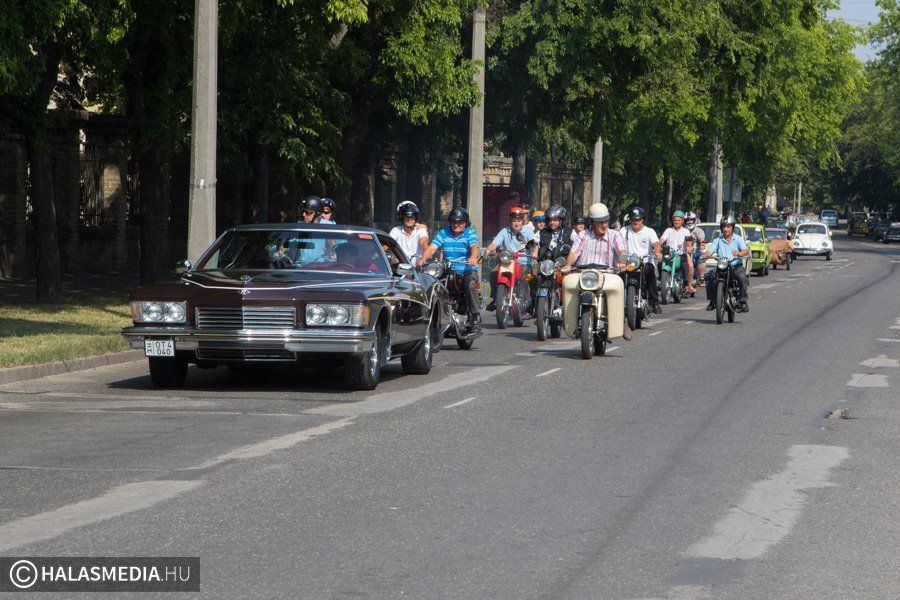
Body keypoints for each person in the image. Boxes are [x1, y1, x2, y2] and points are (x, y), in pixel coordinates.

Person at [418, 207, 482, 327]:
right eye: (454, 222)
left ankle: (475, 315)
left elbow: (474, 246)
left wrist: (473, 257)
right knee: (433, 284)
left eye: (460, 222)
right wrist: (423, 259)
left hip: (467, 269)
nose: (456, 224)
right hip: (448, 270)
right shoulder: (444, 232)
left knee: (469, 284)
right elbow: (432, 248)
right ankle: (429, 313)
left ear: (465, 223)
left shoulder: (470, 233)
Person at [484, 206, 537, 312]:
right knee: (493, 274)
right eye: (514, 221)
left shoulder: (528, 231)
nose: (516, 223)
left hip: (523, 262)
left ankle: (531, 302)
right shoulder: (504, 231)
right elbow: (494, 244)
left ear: (522, 221)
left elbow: (534, 244)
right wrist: (488, 250)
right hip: (507, 262)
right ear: (510, 221)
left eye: (519, 221)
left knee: (530, 278)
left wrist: (535, 252)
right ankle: (496, 299)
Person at [702, 215, 750, 312]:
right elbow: (710, 250)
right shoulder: (718, 240)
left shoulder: (738, 239)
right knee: (709, 276)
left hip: (736, 266)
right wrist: (706, 254)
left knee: (742, 278)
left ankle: (743, 302)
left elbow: (745, 250)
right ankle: (713, 300)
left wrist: (739, 253)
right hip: (722, 266)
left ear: (732, 228)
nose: (726, 229)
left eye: (728, 226)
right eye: (724, 226)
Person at [621, 207, 662, 314]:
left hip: (645, 261)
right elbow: (617, 244)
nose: (636, 222)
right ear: (630, 220)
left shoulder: (649, 231)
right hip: (628, 262)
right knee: (619, 276)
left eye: (638, 219)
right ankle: (619, 302)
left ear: (642, 220)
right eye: (633, 219)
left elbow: (656, 243)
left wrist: (657, 252)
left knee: (650, 272)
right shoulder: (624, 231)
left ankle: (654, 302)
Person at [562, 202, 625, 271]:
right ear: (592, 222)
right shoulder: (584, 234)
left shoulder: (615, 235)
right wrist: (568, 265)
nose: (604, 225)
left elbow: (621, 252)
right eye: (601, 222)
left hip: (606, 274)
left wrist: (622, 262)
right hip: (583, 274)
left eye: (606, 221)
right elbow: (574, 253)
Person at [659, 210, 694, 292]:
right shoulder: (668, 230)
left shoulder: (686, 231)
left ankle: (686, 284)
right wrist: (658, 246)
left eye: (679, 220)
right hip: (669, 255)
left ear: (682, 221)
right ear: (672, 220)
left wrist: (689, 247)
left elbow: (689, 241)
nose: (677, 222)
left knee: (685, 266)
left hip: (680, 254)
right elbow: (662, 239)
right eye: (675, 220)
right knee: (659, 264)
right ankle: (662, 281)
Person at [684, 211, 705, 289]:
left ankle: (701, 278)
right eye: (687, 220)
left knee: (701, 258)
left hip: (695, 252)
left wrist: (701, 242)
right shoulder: (682, 230)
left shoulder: (699, 230)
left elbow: (702, 239)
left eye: (691, 220)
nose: (689, 222)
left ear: (694, 220)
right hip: (684, 252)